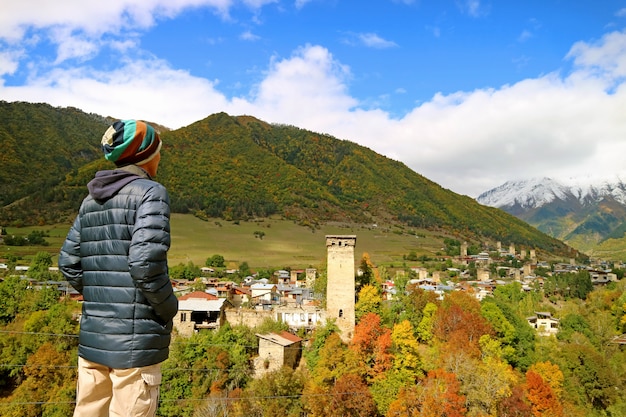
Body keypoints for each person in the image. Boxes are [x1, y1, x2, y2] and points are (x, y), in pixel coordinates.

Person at [59, 119, 178, 417]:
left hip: (93, 341)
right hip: (134, 346)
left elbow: (69, 262)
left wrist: (103, 297)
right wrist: (168, 308)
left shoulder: (90, 200)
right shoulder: (151, 193)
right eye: (158, 151)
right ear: (146, 154)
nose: (160, 158)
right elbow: (145, 262)